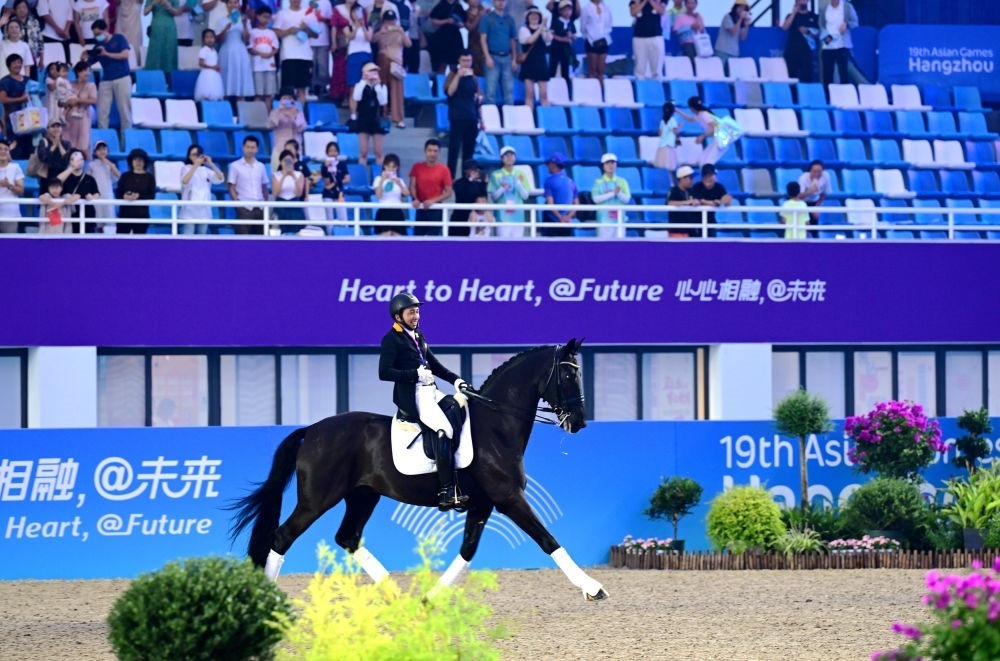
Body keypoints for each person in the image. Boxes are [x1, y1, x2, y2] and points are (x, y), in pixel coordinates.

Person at [378, 292, 471, 511]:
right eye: (411, 313)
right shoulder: (391, 340)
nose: (415, 316)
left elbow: (434, 365)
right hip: (414, 396)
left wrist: (456, 380)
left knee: (459, 408)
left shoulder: (418, 335)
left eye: (417, 312)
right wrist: (414, 374)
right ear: (398, 317)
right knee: (444, 429)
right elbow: (384, 372)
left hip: (431, 391)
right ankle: (446, 490)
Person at [88, 19, 132, 130]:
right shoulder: (98, 46)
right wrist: (85, 57)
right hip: (106, 79)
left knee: (124, 111)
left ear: (105, 30)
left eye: (98, 34)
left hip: (122, 77)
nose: (97, 37)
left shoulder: (119, 38)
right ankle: (103, 138)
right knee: (102, 111)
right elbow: (88, 63)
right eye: (95, 35)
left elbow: (124, 55)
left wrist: (106, 54)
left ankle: (126, 138)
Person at [371, 9, 410, 129]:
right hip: (383, 61)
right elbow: (373, 40)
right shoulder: (380, 31)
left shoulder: (400, 32)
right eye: (388, 21)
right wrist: (381, 32)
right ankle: (382, 114)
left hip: (396, 63)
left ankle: (398, 117)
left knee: (397, 90)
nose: (390, 23)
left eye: (392, 20)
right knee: (382, 89)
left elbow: (408, 44)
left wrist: (401, 31)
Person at [444, 49, 480, 177]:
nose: (466, 63)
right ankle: (450, 178)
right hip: (457, 117)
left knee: (469, 151)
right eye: (464, 60)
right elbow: (450, 92)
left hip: (472, 117)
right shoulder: (452, 74)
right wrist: (458, 76)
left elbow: (477, 95)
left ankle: (466, 178)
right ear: (459, 61)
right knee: (454, 149)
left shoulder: (473, 77)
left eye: (469, 60)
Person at [273, 0, 317, 103]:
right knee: (287, 89)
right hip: (288, 56)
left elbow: (316, 34)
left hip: (305, 56)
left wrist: (306, 28)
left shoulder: (309, 13)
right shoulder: (282, 14)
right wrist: (289, 31)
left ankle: (300, 112)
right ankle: (287, 112)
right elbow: (275, 32)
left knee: (302, 89)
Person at [409, 138, 452, 236]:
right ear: (425, 151)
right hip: (421, 208)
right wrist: (415, 199)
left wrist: (432, 201)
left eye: (435, 151)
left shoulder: (444, 169)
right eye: (430, 150)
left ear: (439, 152)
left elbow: (449, 192)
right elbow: (412, 186)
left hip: (436, 208)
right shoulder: (417, 167)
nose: (432, 154)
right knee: (418, 239)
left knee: (434, 240)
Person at [226, 135, 269, 234]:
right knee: (243, 239)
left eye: (253, 147)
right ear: (243, 148)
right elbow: (231, 187)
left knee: (261, 239)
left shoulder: (261, 166)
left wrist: (265, 204)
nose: (250, 150)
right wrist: (238, 204)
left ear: (257, 149)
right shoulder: (235, 166)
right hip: (244, 207)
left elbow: (264, 187)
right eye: (248, 147)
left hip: (260, 207)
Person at [487, 145, 530, 238]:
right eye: (506, 155)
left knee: (518, 243)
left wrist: (519, 185)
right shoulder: (495, 174)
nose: (509, 157)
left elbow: (525, 196)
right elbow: (493, 197)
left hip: (518, 216)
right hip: (502, 217)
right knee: (503, 243)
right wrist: (502, 188)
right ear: (502, 158)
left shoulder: (521, 174)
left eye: (511, 155)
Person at [180, 144, 224, 234]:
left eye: (197, 154)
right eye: (193, 155)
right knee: (188, 235)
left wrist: (211, 164)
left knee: (202, 236)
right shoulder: (185, 168)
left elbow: (220, 179)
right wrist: (195, 166)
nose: (195, 157)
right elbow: (184, 182)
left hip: (204, 208)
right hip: (189, 208)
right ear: (189, 156)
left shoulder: (206, 171)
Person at [478, 0, 515, 106]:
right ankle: (491, 115)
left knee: (509, 91)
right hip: (492, 57)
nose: (501, 2)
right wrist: (487, 57)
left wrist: (514, 59)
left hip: (507, 58)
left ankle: (510, 115)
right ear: (493, 2)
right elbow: (483, 39)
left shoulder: (510, 19)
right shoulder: (487, 18)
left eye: (503, 0)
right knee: (490, 91)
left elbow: (513, 40)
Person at [216, 0, 254, 100]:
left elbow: (246, 39)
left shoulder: (245, 20)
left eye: (235, 2)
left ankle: (241, 106)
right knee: (226, 80)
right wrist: (225, 29)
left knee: (240, 82)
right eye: (230, 2)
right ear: (226, 5)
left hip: (240, 51)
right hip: (226, 52)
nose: (233, 5)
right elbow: (218, 40)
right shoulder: (221, 21)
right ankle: (226, 106)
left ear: (239, 4)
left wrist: (244, 24)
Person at [55, 148, 100, 232]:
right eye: (74, 159)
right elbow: (56, 182)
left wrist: (92, 197)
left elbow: (97, 194)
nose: (79, 162)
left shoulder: (90, 179)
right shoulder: (66, 176)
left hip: (87, 215)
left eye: (81, 159)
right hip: (69, 215)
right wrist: (72, 168)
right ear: (70, 161)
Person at [591, 152, 630, 238]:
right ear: (603, 166)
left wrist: (619, 193)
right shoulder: (598, 182)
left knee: (620, 245)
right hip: (604, 220)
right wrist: (612, 193)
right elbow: (595, 199)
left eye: (613, 163)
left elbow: (627, 199)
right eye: (607, 163)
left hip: (620, 220)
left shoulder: (622, 181)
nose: (610, 165)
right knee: (604, 245)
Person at [116, 147, 155, 233]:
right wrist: (125, 196)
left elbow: (151, 196)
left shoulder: (149, 178)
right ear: (131, 161)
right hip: (124, 215)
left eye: (141, 160)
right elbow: (118, 193)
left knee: (139, 240)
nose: (138, 162)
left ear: (145, 162)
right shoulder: (125, 176)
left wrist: (138, 196)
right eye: (135, 160)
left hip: (142, 215)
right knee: (121, 239)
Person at [517, 6, 549, 110]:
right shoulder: (524, 29)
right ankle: (529, 116)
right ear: (527, 17)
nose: (534, 17)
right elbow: (530, 40)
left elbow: (548, 40)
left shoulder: (543, 29)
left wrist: (545, 29)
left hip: (541, 63)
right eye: (532, 15)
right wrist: (541, 28)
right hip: (529, 64)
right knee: (529, 94)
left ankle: (545, 115)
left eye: (536, 15)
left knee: (544, 94)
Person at [819, 0, 857, 87]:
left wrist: (847, 25)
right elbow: (821, 25)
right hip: (828, 46)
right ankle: (828, 94)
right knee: (827, 75)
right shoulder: (824, 9)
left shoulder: (847, 7)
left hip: (842, 45)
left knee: (844, 74)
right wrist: (825, 36)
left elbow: (855, 22)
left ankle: (845, 94)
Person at [63, 62, 96, 158]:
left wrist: (78, 100)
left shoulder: (91, 86)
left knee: (84, 146)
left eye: (89, 71)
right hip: (69, 118)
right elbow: (63, 100)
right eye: (85, 70)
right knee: (69, 146)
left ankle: (89, 164)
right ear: (78, 72)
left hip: (83, 116)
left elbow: (93, 100)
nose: (88, 73)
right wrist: (69, 102)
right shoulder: (69, 84)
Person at [371, 152, 409, 235]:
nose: (391, 169)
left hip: (397, 212)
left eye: (393, 167)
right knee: (384, 237)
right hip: (383, 212)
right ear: (384, 166)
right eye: (388, 166)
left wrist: (399, 183)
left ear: (397, 168)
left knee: (398, 238)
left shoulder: (399, 180)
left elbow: (407, 194)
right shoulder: (378, 179)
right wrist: (382, 180)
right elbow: (378, 195)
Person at [267, 88, 306, 169]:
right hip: (279, 148)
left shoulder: (299, 112)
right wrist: (279, 111)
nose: (287, 100)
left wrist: (294, 115)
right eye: (284, 98)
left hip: (295, 149)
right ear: (280, 100)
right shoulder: (275, 112)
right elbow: (270, 125)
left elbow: (301, 128)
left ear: (293, 100)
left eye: (289, 98)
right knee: (278, 172)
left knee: (296, 172)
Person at [86, 139, 119, 232]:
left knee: (109, 221)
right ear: (95, 152)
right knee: (98, 221)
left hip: (108, 196)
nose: (102, 151)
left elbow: (118, 176)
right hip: (97, 196)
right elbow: (87, 180)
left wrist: (110, 165)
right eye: (99, 149)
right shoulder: (91, 165)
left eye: (104, 149)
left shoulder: (110, 165)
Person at [781, 0, 818, 83]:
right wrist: (793, 13)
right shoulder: (791, 16)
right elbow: (785, 28)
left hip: (806, 52)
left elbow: (818, 34)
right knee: (791, 78)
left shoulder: (814, 16)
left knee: (807, 79)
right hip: (791, 52)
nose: (803, 1)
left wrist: (808, 31)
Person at [689, 163, 730, 238]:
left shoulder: (719, 187)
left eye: (710, 175)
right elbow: (699, 200)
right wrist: (713, 203)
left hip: (710, 222)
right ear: (702, 177)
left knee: (711, 242)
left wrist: (721, 202)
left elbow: (727, 199)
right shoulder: (697, 187)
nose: (708, 178)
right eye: (705, 176)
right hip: (695, 222)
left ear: (715, 176)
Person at [542, 152, 578, 237]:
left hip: (552, 222)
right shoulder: (571, 182)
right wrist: (568, 217)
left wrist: (560, 217)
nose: (547, 166)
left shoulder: (549, 181)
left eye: (549, 163)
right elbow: (576, 204)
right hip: (567, 223)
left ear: (553, 164)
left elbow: (550, 203)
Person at [271, 148, 306, 234]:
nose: (287, 163)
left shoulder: (299, 175)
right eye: (285, 160)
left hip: (294, 204)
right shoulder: (275, 175)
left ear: (294, 161)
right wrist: (284, 176)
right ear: (281, 162)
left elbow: (299, 193)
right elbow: (275, 193)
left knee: (297, 231)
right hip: (281, 204)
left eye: (290, 160)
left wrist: (293, 176)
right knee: (280, 230)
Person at [249, 6, 278, 107]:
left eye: (268, 17)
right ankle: (257, 115)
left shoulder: (272, 33)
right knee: (258, 94)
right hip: (257, 67)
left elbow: (276, 48)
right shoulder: (252, 32)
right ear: (258, 17)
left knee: (268, 94)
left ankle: (267, 115)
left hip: (270, 66)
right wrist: (261, 54)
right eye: (264, 17)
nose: (266, 20)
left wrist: (270, 54)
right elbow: (250, 49)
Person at [0, 53, 28, 157]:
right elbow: (3, 99)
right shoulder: (5, 81)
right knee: (15, 146)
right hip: (12, 119)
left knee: (27, 145)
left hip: (28, 119)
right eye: (14, 63)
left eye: (19, 62)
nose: (17, 65)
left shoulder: (27, 80)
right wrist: (21, 99)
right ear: (9, 66)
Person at [449, 157, 485, 236]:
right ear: (465, 170)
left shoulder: (480, 184)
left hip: (475, 216)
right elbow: (462, 196)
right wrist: (470, 180)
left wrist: (484, 182)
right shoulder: (458, 183)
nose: (474, 171)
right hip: (459, 217)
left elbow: (483, 198)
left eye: (475, 169)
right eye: (471, 169)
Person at [629, 0, 663, 80]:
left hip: (655, 35)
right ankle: (640, 82)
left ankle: (656, 83)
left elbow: (661, 11)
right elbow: (633, 13)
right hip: (639, 36)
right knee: (640, 65)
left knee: (657, 64)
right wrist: (643, 2)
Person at [143, 0, 182, 71]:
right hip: (156, 28)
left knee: (169, 52)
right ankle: (154, 74)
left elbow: (177, 12)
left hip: (169, 29)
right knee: (155, 52)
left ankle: (169, 74)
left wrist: (168, 6)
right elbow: (145, 12)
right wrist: (153, 3)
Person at [428, 0, 464, 74]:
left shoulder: (458, 7)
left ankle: (453, 79)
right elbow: (434, 21)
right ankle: (440, 79)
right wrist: (446, 21)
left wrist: (458, 23)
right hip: (442, 37)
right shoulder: (441, 5)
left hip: (455, 38)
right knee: (441, 62)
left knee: (454, 63)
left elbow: (463, 23)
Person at [714, 0, 749, 75]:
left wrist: (746, 25)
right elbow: (733, 32)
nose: (742, 10)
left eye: (744, 8)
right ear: (735, 7)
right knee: (718, 74)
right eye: (740, 7)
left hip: (734, 52)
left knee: (732, 75)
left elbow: (742, 37)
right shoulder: (727, 17)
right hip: (722, 51)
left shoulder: (742, 21)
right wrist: (740, 19)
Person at [579, 0, 611, 81]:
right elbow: (583, 26)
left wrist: (604, 34)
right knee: (592, 70)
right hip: (591, 40)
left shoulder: (606, 8)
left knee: (601, 71)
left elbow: (609, 24)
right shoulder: (586, 8)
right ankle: (591, 88)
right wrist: (589, 36)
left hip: (604, 40)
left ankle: (601, 88)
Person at [341, 0, 371, 87]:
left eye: (358, 11)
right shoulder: (347, 27)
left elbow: (369, 38)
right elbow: (350, 37)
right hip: (353, 54)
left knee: (366, 81)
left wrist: (363, 26)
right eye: (354, 12)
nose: (356, 14)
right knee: (353, 82)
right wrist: (356, 27)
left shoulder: (368, 27)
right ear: (351, 14)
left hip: (366, 54)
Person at [320, 139, 348, 227]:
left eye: (335, 151)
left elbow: (347, 179)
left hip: (339, 193)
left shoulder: (342, 164)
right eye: (330, 151)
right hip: (328, 193)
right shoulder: (323, 166)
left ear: (338, 152)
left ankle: (345, 233)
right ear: (327, 153)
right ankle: (329, 234)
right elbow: (327, 184)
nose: (333, 153)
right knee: (329, 219)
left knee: (343, 217)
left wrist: (336, 182)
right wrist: (326, 168)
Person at [10, 1, 43, 77]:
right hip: (16, 59)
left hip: (32, 57)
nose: (21, 9)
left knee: (32, 81)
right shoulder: (11, 23)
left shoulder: (34, 22)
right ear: (15, 10)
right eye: (19, 7)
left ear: (28, 9)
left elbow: (40, 41)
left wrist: (41, 59)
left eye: (24, 7)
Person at [306, 0, 331, 96]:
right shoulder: (306, 2)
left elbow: (331, 20)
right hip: (309, 40)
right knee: (311, 65)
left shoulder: (326, 2)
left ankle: (323, 87)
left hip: (323, 39)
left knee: (323, 65)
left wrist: (323, 19)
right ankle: (311, 86)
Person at [548, 0, 577, 82]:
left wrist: (572, 37)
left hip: (566, 50)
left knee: (565, 70)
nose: (567, 12)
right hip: (555, 48)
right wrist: (563, 39)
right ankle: (550, 86)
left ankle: (566, 88)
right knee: (552, 68)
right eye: (565, 10)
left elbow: (574, 34)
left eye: (569, 10)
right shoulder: (556, 21)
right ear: (560, 11)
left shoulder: (571, 22)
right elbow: (552, 34)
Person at [666, 164, 699, 237]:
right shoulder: (673, 191)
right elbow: (670, 203)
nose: (692, 181)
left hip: (691, 230)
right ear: (682, 178)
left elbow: (697, 200)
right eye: (690, 178)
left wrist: (697, 202)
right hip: (677, 231)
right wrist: (687, 202)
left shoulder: (692, 191)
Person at [0, 140, 24, 233]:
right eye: (0, 149)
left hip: (10, 213)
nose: (3, 151)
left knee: (9, 241)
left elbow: (21, 190)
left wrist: (9, 186)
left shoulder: (15, 167)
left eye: (6, 149)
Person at [797, 159, 830, 225]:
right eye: (814, 172)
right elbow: (798, 196)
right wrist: (810, 191)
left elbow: (824, 193)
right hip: (802, 203)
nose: (817, 174)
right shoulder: (803, 178)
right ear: (810, 171)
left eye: (819, 172)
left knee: (814, 224)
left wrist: (817, 206)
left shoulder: (826, 176)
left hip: (815, 202)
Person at [195, 28, 224, 100]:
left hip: (214, 75)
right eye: (207, 37)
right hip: (206, 74)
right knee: (206, 92)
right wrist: (212, 67)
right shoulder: (204, 50)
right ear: (203, 39)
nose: (210, 39)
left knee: (214, 92)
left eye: (211, 37)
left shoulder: (214, 51)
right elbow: (201, 63)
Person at [654, 101, 679, 177]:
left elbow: (659, 133)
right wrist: (679, 126)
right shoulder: (672, 120)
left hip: (662, 146)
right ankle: (670, 182)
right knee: (670, 168)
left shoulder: (662, 121)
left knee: (663, 167)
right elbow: (675, 131)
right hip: (669, 146)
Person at [115, 0, 143, 66]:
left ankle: (134, 66)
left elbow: (140, 1)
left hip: (134, 21)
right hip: (121, 21)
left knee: (134, 46)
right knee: (119, 45)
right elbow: (116, 2)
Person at [463, 0, 485, 75]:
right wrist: (479, 16)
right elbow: (469, 27)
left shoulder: (485, 9)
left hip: (486, 43)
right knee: (474, 67)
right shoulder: (465, 13)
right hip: (474, 43)